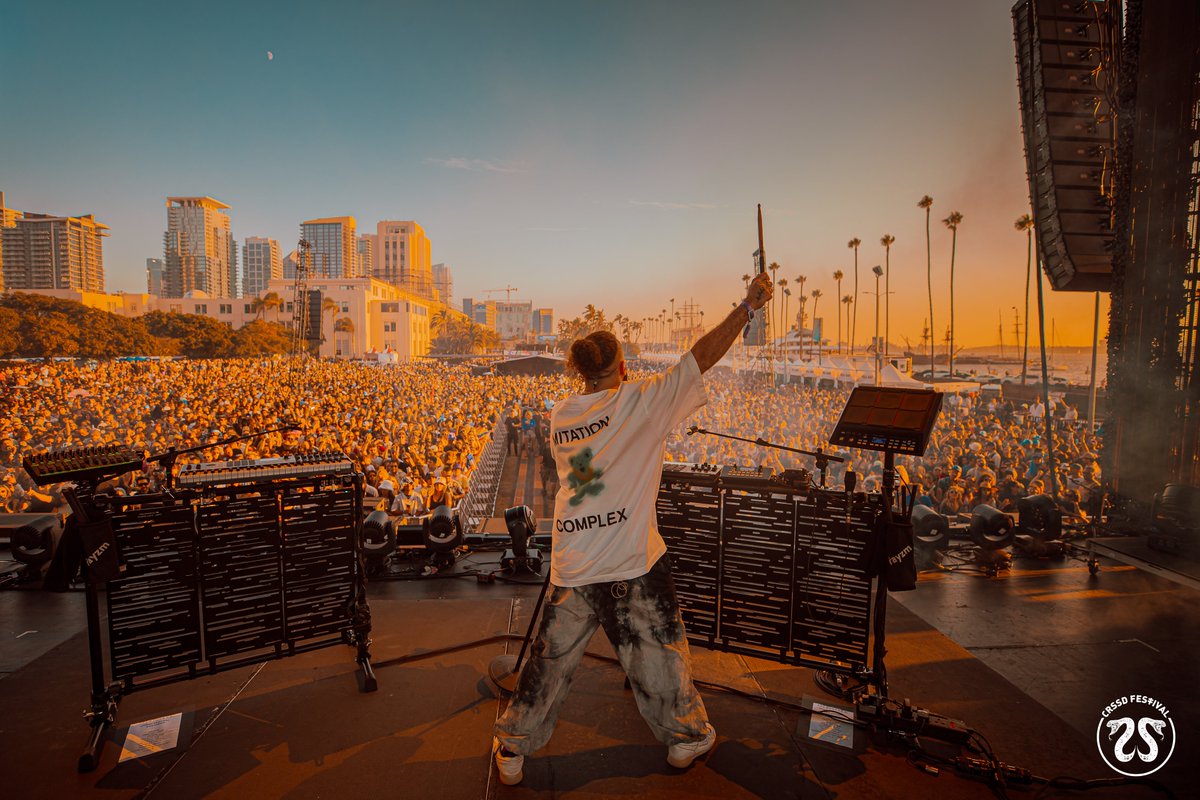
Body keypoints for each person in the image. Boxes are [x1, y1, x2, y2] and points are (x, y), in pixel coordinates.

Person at [492, 272, 774, 785]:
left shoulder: (562, 415)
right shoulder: (642, 402)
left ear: (580, 373)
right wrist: (748, 307)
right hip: (629, 559)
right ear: (622, 366)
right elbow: (700, 357)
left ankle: (512, 748)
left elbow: (589, 467)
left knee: (549, 664)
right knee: (661, 655)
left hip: (575, 558)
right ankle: (686, 738)